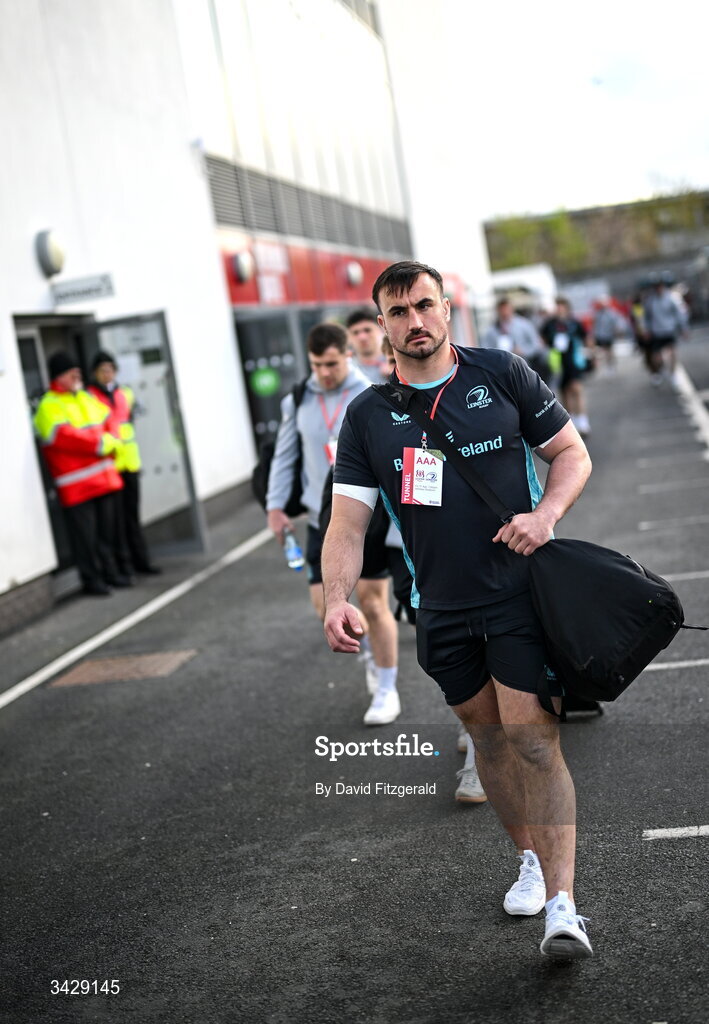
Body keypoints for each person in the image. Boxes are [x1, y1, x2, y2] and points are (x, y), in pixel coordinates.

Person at [322, 261, 593, 960]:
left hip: (516, 594)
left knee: (532, 737)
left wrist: (545, 513)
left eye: (424, 305)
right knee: (490, 742)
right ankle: (529, 860)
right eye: (398, 312)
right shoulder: (368, 416)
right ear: (380, 327)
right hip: (438, 608)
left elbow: (569, 453)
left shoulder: (499, 374)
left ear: (446, 309)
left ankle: (563, 908)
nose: (415, 322)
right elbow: (347, 524)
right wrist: (334, 599)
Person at [266, 322, 401, 725]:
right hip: (317, 515)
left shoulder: (372, 392)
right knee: (324, 604)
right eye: (315, 365)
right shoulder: (298, 398)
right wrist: (275, 507)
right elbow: (284, 456)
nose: (322, 373)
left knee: (374, 602)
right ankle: (371, 659)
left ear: (347, 355)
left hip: (367, 512)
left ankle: (387, 686)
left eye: (329, 364)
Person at [33, 351, 129, 595]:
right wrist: (101, 444)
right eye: (70, 371)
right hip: (77, 488)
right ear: (58, 377)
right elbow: (64, 438)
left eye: (77, 370)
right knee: (85, 539)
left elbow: (111, 420)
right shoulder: (49, 405)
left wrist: (110, 439)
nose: (77, 374)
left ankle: (112, 574)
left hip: (105, 480)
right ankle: (92, 581)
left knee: (106, 534)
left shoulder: (86, 397)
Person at [88, 351, 161, 576]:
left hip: (129, 463)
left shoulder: (125, 393)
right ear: (95, 373)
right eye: (103, 370)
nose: (107, 374)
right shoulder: (89, 398)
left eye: (110, 369)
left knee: (132, 516)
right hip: (109, 467)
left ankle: (141, 560)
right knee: (114, 522)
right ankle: (122, 565)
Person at [541, 297, 592, 437]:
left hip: (574, 361)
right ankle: (572, 420)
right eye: (557, 306)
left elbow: (586, 337)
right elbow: (543, 339)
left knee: (576, 388)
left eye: (561, 306)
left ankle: (583, 420)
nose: (559, 309)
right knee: (565, 392)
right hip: (558, 363)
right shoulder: (550, 324)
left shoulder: (574, 322)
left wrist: (590, 352)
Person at [482, 297, 550, 382]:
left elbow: (537, 344)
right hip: (502, 371)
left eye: (507, 309)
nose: (505, 312)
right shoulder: (492, 330)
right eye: (502, 310)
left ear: (512, 309)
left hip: (524, 368)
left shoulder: (524, 324)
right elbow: (485, 349)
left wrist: (523, 350)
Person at [642, 275, 689, 389]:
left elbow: (680, 314)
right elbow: (646, 317)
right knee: (656, 357)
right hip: (657, 332)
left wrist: (684, 328)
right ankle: (660, 369)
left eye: (660, 286)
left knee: (672, 353)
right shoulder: (650, 301)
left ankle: (673, 374)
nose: (658, 288)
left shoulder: (672, 298)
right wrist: (646, 330)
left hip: (670, 330)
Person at [345, 308, 389, 383]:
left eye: (367, 330)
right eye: (355, 333)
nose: (362, 337)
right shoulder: (346, 369)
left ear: (382, 330)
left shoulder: (397, 363)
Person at [590, 295, 623, 373]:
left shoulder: (611, 313)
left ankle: (611, 365)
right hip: (600, 335)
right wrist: (593, 334)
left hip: (609, 335)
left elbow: (617, 323)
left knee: (609, 351)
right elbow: (595, 325)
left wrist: (617, 330)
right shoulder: (597, 314)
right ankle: (606, 365)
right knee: (600, 351)